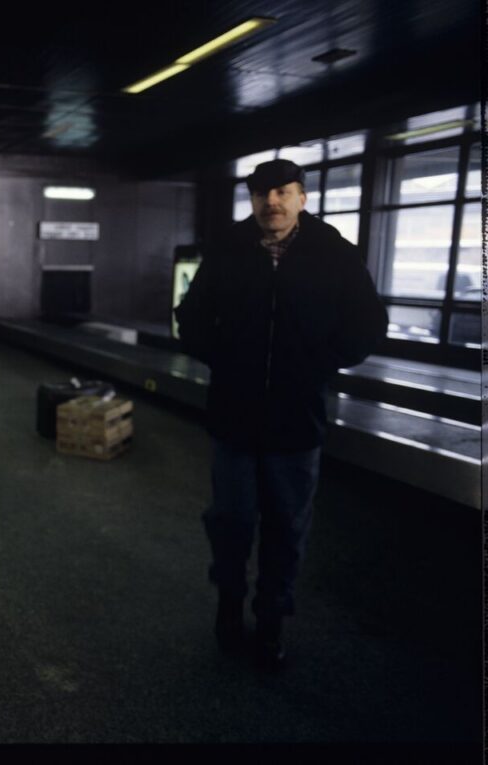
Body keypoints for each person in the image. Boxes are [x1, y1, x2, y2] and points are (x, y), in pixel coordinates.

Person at [174, 159, 387, 671]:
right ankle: (229, 605)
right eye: (262, 194)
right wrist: (224, 358)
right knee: (231, 520)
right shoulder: (228, 249)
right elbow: (192, 316)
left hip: (297, 419)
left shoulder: (333, 253)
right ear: (252, 201)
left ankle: (271, 618)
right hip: (234, 416)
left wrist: (318, 362)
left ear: (302, 199)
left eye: (284, 193)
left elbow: (368, 322)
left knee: (287, 526)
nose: (273, 202)